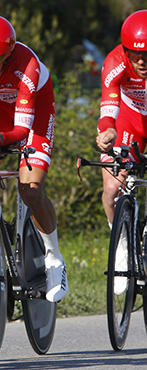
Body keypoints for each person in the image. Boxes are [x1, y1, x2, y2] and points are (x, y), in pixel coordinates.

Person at [0, 14, 68, 303]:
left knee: (30, 190)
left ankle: (54, 259)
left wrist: (1, 139)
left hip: (34, 113)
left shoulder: (26, 66)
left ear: (7, 57)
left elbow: (21, 130)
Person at [95, 10, 147, 294]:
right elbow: (108, 103)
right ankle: (122, 244)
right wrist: (108, 130)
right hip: (130, 118)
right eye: (134, 53)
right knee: (113, 185)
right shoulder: (115, 61)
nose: (141, 60)